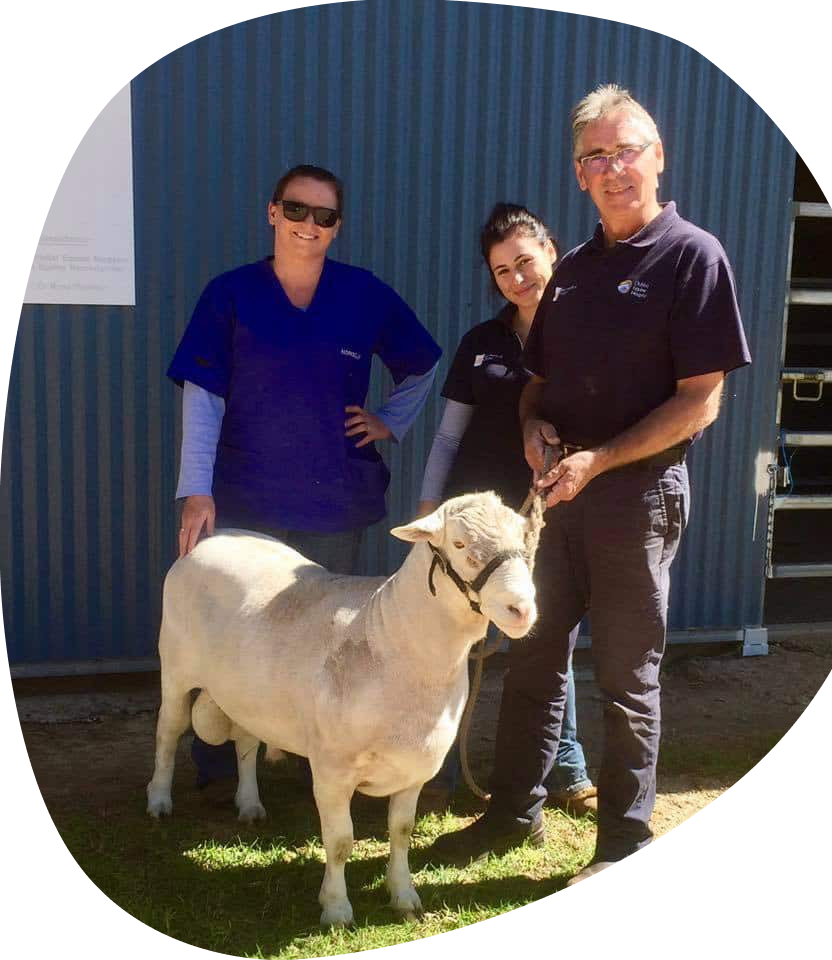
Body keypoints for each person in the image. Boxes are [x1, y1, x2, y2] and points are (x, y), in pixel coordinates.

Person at [429, 85, 751, 879]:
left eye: (627, 150)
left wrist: (599, 460)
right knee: (532, 658)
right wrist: (533, 429)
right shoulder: (571, 271)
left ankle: (623, 843)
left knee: (625, 677)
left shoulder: (692, 256)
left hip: (637, 500)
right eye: (596, 157)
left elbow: (701, 400)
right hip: (558, 496)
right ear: (579, 174)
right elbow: (536, 385)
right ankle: (512, 816)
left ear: (658, 156)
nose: (614, 168)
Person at [166, 163, 441, 787]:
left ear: (337, 226)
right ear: (272, 212)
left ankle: (309, 761)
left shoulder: (363, 295)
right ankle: (218, 767)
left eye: (324, 215)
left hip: (332, 500)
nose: (307, 224)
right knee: (232, 636)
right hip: (245, 495)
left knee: (320, 636)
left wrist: (390, 421)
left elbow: (422, 363)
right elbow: (203, 395)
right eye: (295, 209)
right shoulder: (230, 294)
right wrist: (196, 490)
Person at [415, 203, 597, 816]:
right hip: (472, 530)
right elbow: (448, 436)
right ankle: (435, 772)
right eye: (502, 271)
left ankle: (566, 769)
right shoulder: (481, 343)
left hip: (546, 519)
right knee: (452, 643)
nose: (517, 279)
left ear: (551, 253)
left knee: (546, 638)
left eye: (525, 262)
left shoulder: (586, 336)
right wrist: (430, 509)